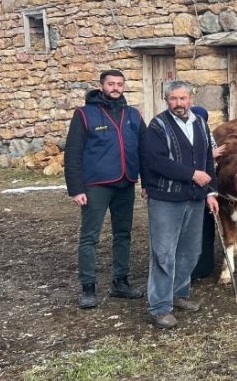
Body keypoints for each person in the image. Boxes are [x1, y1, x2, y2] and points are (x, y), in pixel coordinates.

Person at [63, 69, 145, 309]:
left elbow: (144, 151)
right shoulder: (84, 114)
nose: (115, 88)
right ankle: (88, 287)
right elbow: (73, 154)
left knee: (123, 234)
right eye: (111, 84)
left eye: (119, 84)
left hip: (125, 183)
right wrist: (76, 188)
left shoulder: (133, 115)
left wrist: (147, 183)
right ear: (101, 86)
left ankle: (121, 281)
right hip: (96, 186)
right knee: (90, 236)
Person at [141, 81, 219, 329]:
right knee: (164, 252)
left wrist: (211, 192)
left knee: (190, 251)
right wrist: (192, 174)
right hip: (166, 198)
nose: (178, 104)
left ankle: (179, 293)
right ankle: (160, 307)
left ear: (191, 99)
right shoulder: (158, 126)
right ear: (167, 100)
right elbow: (157, 161)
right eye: (173, 99)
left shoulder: (200, 123)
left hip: (195, 197)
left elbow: (208, 159)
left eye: (183, 98)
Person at [190, 106, 225, 281]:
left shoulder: (206, 133)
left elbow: (210, 162)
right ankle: (191, 268)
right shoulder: (186, 131)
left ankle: (205, 265)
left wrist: (212, 192)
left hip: (206, 185)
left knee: (206, 227)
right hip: (189, 184)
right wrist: (213, 153)